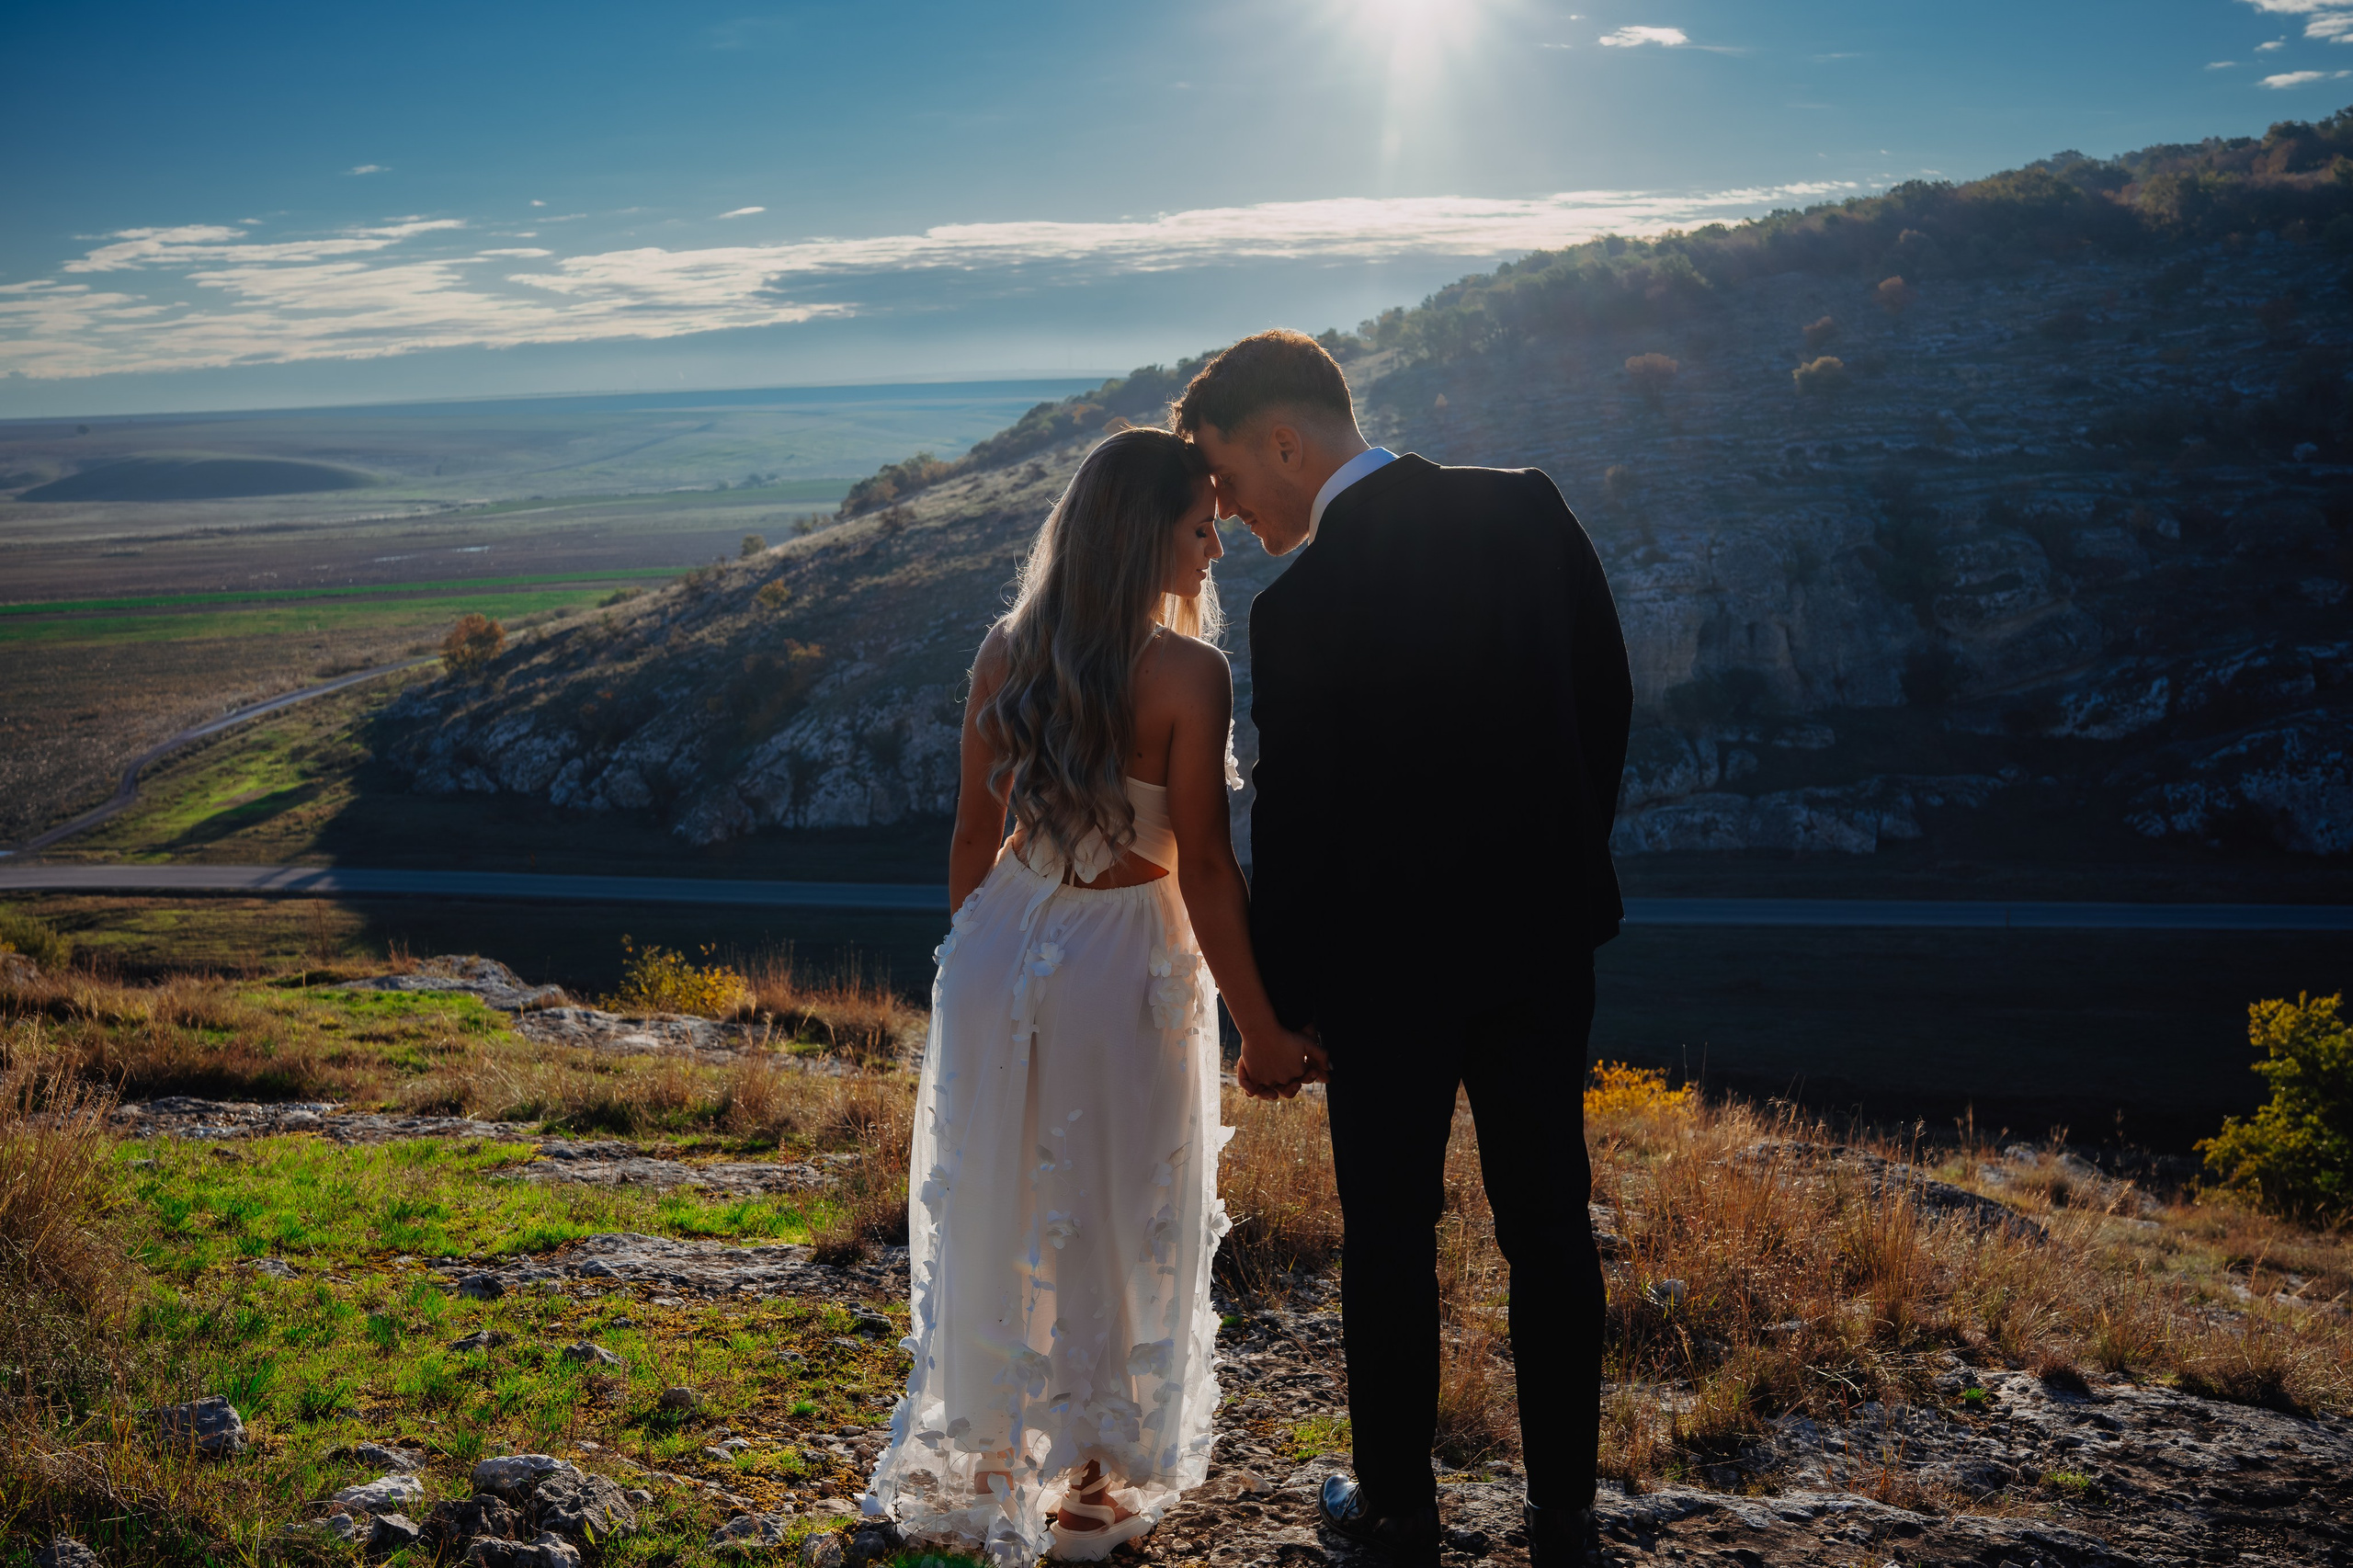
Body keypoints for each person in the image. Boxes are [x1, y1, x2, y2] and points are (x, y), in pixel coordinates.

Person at [1176, 331, 1632, 1568]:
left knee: (1390, 1232)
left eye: (1224, 479)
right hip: (1542, 945)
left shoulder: (1302, 607)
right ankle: (1566, 1521)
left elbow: (1302, 822)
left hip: (1384, 976)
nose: (1225, 508)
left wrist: (1277, 1006)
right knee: (1550, 1221)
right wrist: (1559, 859)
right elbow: (1606, 698)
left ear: (1285, 439)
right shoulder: (1526, 511)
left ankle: (1396, 1515)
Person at [863, 426, 1327, 1566]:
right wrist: (1261, 1024)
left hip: (1002, 939)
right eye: (1197, 523)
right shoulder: (1188, 673)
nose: (1217, 543)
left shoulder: (1005, 649)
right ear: (1140, 534)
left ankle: (989, 1453)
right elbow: (1207, 867)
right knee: (1118, 1201)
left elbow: (976, 832)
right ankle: (1086, 1482)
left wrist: (980, 962)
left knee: (1008, 1191)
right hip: (1122, 957)